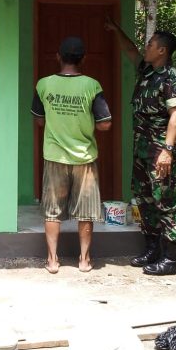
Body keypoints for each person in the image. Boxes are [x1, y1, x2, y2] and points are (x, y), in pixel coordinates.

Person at [104, 17, 176, 276]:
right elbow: (130, 50)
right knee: (145, 198)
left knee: (165, 200)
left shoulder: (171, 77)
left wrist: (167, 151)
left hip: (160, 150)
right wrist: (117, 29)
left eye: (150, 44)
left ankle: (170, 258)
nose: (146, 47)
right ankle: (152, 249)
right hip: (142, 147)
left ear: (162, 50)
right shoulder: (148, 71)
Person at [31, 36, 112, 274]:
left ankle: (52, 260)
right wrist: (84, 123)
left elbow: (39, 120)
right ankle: (84, 260)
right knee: (86, 212)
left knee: (52, 211)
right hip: (84, 157)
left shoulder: (44, 84)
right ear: (83, 59)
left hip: (54, 156)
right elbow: (105, 124)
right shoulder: (92, 85)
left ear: (58, 57)